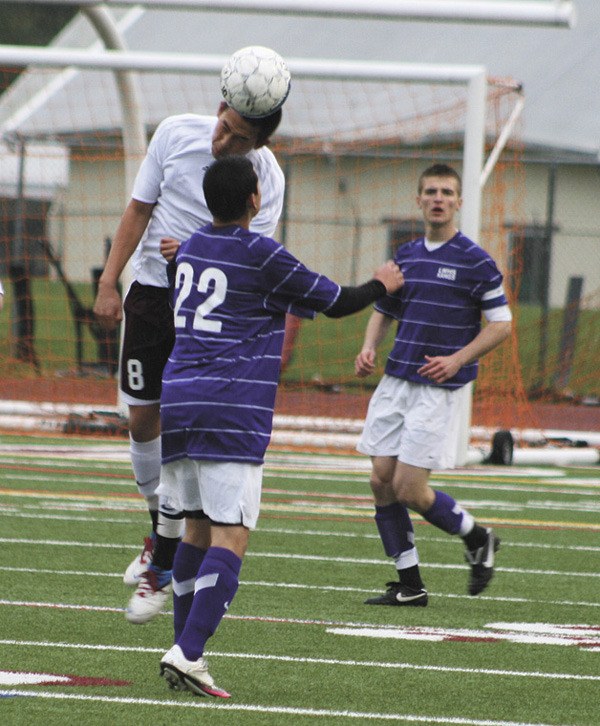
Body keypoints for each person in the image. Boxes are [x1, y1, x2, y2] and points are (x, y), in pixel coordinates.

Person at [157, 155, 404, 698]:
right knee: (232, 533)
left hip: (176, 403)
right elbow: (338, 302)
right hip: (231, 409)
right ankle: (188, 651)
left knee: (195, 530)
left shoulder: (193, 245)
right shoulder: (260, 252)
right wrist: (381, 284)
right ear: (255, 201)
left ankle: (185, 652)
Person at [93, 95, 286, 624]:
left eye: (239, 139)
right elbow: (138, 209)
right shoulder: (175, 132)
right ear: (220, 106)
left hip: (206, 313)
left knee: (183, 436)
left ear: (259, 143)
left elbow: (250, 255)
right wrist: (111, 280)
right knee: (141, 420)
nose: (222, 141)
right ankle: (161, 532)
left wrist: (199, 250)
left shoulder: (267, 177)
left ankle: (163, 553)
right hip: (154, 295)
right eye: (224, 127)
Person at [355, 163, 512, 606]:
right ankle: (410, 585)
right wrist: (368, 347)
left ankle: (478, 537)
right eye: (430, 191)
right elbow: (384, 307)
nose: (438, 198)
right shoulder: (406, 255)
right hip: (395, 381)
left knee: (408, 488)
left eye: (446, 192)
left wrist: (457, 359)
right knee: (381, 480)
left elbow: (501, 325)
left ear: (459, 201)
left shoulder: (476, 262)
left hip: (437, 389)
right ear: (418, 199)